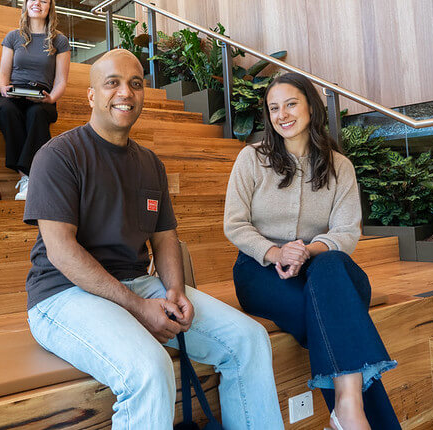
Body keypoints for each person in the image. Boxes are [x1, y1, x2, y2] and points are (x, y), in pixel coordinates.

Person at [25, 49, 284, 430]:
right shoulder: (58, 155)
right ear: (92, 95)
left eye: (135, 83)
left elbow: (165, 238)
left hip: (137, 285)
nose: (125, 93)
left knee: (249, 340)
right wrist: (137, 306)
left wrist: (175, 291)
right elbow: (62, 252)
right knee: (148, 369)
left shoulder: (150, 163)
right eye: (112, 83)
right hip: (62, 294)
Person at [224, 72, 400, 430]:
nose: (282, 114)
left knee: (330, 266)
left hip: (325, 270)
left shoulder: (340, 167)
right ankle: (350, 411)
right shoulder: (251, 159)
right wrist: (276, 254)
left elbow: (347, 232)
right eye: (274, 108)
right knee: (334, 316)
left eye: (291, 104)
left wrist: (306, 251)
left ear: (310, 107)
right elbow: (235, 225)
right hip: (262, 273)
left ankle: (347, 414)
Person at [0, 0, 70, 200]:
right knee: (5, 109)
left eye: (43, 1)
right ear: (26, 4)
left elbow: (62, 80)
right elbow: (2, 75)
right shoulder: (13, 37)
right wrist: (4, 90)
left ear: (50, 8)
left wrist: (51, 98)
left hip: (42, 97)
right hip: (13, 93)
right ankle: (26, 176)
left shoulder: (59, 40)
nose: (37, 4)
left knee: (36, 114)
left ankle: (30, 177)